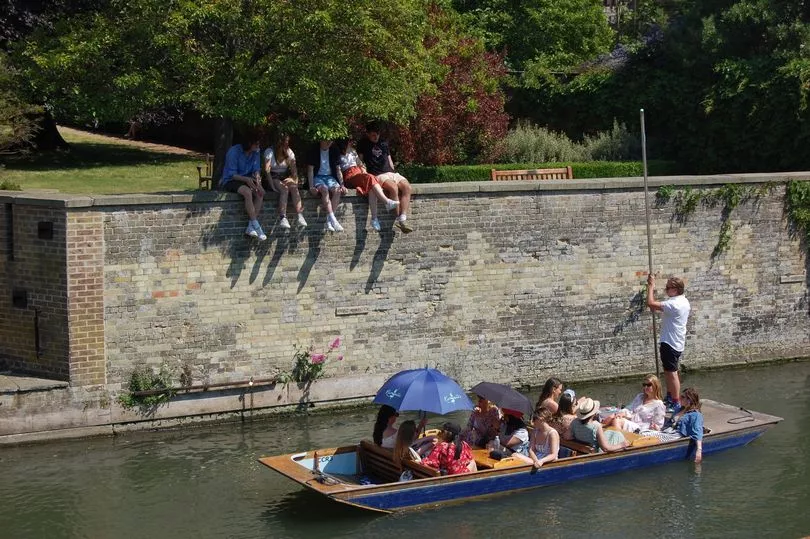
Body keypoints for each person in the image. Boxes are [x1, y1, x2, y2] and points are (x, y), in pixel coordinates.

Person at [356, 121, 413, 233]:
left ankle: (403, 217)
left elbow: (389, 159)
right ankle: (399, 220)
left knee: (407, 187)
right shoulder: (363, 144)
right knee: (393, 188)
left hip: (390, 172)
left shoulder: (383, 143)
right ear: (368, 134)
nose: (376, 137)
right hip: (377, 174)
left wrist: (394, 172)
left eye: (377, 134)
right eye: (373, 134)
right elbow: (360, 161)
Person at [647, 275, 691, 413]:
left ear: (676, 289)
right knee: (669, 372)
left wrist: (651, 286)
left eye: (668, 288)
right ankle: (671, 397)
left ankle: (676, 401)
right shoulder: (683, 301)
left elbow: (650, 303)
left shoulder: (674, 304)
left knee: (671, 373)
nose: (666, 290)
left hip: (670, 342)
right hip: (676, 341)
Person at [336, 139, 399, 231]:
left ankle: (374, 219)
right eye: (349, 141)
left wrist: (363, 170)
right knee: (370, 178)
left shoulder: (353, 151)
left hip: (358, 172)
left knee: (371, 187)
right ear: (345, 142)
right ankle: (386, 201)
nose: (351, 142)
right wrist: (341, 184)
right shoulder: (338, 154)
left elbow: (360, 164)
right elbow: (338, 170)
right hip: (349, 176)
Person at [219, 135, 266, 241]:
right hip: (232, 179)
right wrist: (246, 180)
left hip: (248, 178)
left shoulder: (256, 152)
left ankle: (250, 226)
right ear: (249, 143)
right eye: (256, 144)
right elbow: (232, 174)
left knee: (260, 193)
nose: (258, 146)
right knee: (247, 192)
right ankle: (256, 225)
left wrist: (258, 181)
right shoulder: (234, 152)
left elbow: (256, 169)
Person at [264, 134, 306, 230]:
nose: (287, 143)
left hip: (284, 177)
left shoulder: (289, 152)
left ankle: (300, 214)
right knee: (284, 189)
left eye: (287, 141)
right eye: (285, 141)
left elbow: (294, 170)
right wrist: (272, 186)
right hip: (273, 177)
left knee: (294, 188)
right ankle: (283, 217)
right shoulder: (270, 152)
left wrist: (293, 180)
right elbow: (267, 171)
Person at [307, 140, 346, 232]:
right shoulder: (314, 150)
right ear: (321, 140)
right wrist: (311, 186)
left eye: (331, 141)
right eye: (327, 141)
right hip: (318, 176)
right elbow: (310, 170)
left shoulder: (334, 150)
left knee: (337, 191)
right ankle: (333, 220)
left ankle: (329, 221)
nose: (329, 143)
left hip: (329, 177)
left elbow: (338, 169)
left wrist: (342, 184)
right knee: (324, 190)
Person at [671, 387, 704, 463]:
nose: (679, 398)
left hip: (676, 435)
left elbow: (697, 431)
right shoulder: (679, 409)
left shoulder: (695, 415)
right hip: (669, 432)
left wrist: (699, 450)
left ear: (689, 400)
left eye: (682, 397)